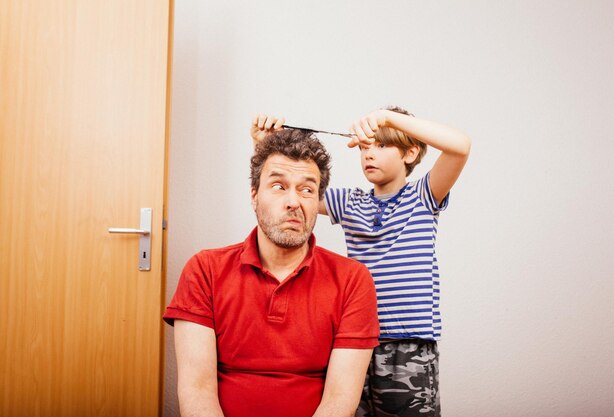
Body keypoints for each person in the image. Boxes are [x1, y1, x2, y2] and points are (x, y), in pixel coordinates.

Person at [251, 107, 471, 417]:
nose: (369, 155)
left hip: (408, 345)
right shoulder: (350, 202)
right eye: (365, 147)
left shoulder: (423, 195)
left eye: (381, 146)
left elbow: (460, 146)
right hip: (354, 344)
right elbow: (293, 194)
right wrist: (263, 145)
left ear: (410, 153)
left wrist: (388, 118)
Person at [164, 128, 380, 417]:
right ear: (254, 196)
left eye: (307, 190)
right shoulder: (204, 270)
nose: (294, 201)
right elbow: (196, 389)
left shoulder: (353, 279)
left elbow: (341, 399)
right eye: (278, 186)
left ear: (317, 202)